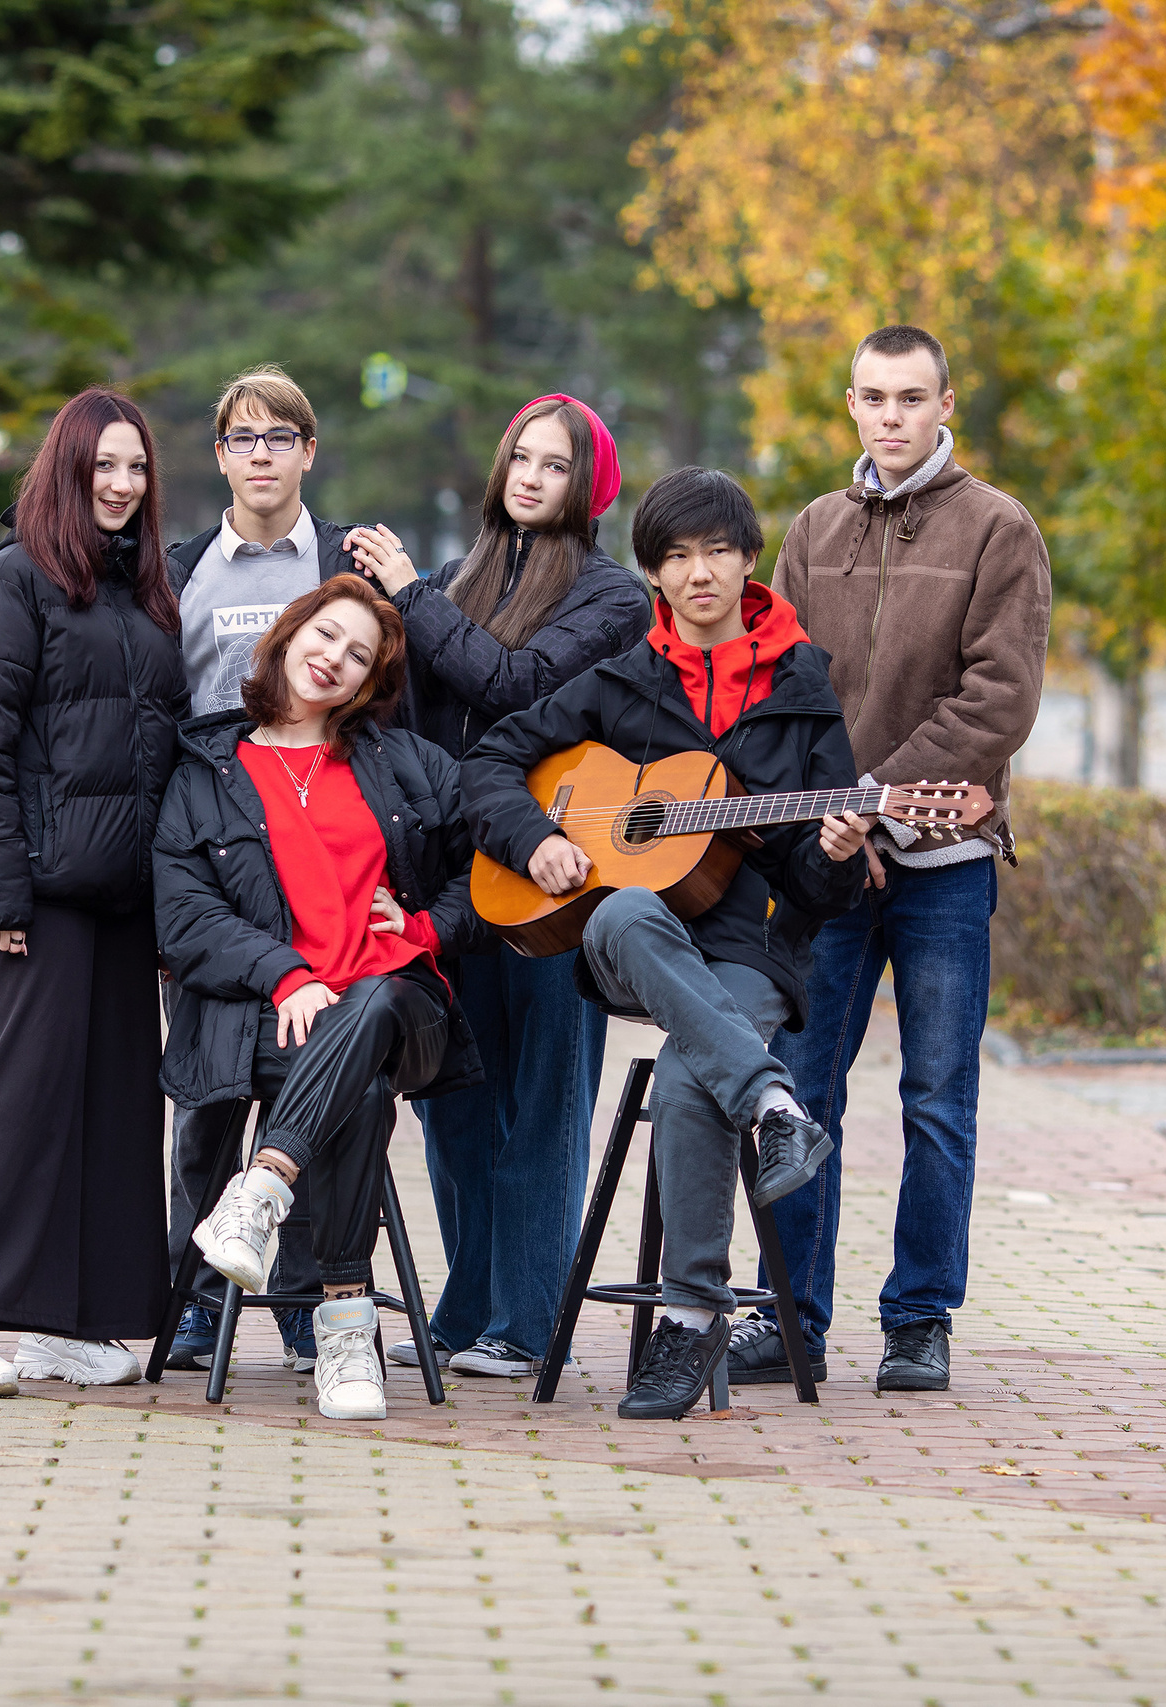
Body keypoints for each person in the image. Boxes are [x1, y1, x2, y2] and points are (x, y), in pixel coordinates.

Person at [463, 467, 867, 1420]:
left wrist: (841, 851)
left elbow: (819, 889)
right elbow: (488, 763)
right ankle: (774, 1099)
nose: (699, 573)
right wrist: (542, 839)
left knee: (692, 1078)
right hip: (629, 939)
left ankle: (688, 1320)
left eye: (717, 551)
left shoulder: (805, 692)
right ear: (651, 572)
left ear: (749, 559)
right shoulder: (619, 684)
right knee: (621, 910)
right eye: (677, 556)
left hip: (750, 953)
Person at [729, 325, 1052, 1398]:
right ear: (851, 405)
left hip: (944, 861)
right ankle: (790, 1320)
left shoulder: (998, 528)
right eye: (873, 397)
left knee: (936, 1100)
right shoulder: (812, 530)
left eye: (911, 398)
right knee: (798, 1096)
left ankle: (919, 1321)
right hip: (823, 868)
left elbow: (997, 698)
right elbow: (779, 689)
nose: (892, 416)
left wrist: (873, 802)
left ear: (945, 401)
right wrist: (826, 825)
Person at [343, 394, 649, 1380]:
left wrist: (411, 599)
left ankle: (528, 1322)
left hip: (553, 887)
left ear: (585, 487)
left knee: (542, 1102)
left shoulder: (611, 599)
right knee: (451, 1104)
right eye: (520, 455)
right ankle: (466, 1305)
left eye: (553, 465)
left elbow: (516, 686)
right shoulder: (440, 584)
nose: (528, 476)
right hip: (446, 884)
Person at [0, 387, 189, 1398]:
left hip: (128, 898)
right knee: (17, 1107)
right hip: (43, 897)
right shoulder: (10, 587)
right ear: (64, 470)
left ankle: (78, 1322)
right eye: (102, 466)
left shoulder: (145, 597)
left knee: (115, 1111)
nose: (121, 485)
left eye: (136, 468)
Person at [157, 574, 490, 1421]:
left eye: (359, 656)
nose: (334, 660)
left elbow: (486, 865)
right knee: (361, 1082)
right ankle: (345, 1320)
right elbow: (186, 914)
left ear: (371, 682)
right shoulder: (207, 766)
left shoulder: (406, 767)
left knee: (373, 1007)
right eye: (326, 636)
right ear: (289, 632)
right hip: (268, 1020)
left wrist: (422, 927)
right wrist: (285, 971)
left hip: (399, 1001)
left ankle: (262, 1192)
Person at [161, 366, 362, 1377]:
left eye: (281, 436)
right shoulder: (183, 569)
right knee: (206, 1088)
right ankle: (194, 1300)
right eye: (244, 438)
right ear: (222, 456)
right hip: (212, 839)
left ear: (308, 452)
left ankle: (296, 1298)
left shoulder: (347, 562)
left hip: (321, 841)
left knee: (312, 1073)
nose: (263, 454)